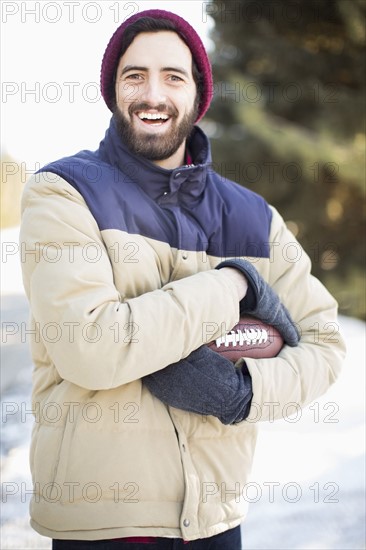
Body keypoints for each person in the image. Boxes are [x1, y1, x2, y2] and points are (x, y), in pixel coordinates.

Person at [19, 9, 345, 550]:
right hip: (105, 528)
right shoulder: (64, 192)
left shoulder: (253, 217)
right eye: (134, 76)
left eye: (173, 76)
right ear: (113, 91)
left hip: (217, 524)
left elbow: (325, 343)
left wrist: (245, 394)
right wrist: (230, 285)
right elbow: (90, 348)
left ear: (198, 94)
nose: (153, 94)